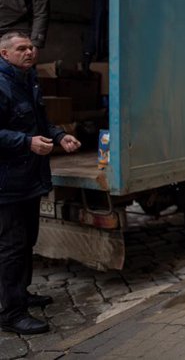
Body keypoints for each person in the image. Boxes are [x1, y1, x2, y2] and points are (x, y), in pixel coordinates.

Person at [0, 32, 81, 335]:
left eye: (31, 47)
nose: (29, 52)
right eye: (21, 49)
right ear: (4, 54)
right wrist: (26, 142)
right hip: (7, 184)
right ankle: (11, 313)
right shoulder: (2, 84)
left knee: (27, 242)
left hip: (30, 179)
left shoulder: (28, 78)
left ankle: (21, 294)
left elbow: (39, 121)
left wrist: (60, 135)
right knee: (12, 246)